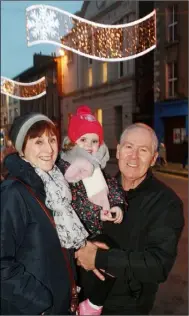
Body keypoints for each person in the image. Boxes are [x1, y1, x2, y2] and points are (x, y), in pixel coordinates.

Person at [75, 123, 184, 315]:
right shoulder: (99, 188)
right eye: (129, 147)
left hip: (126, 307)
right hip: (83, 299)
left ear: (153, 159)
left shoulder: (167, 203)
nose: (133, 156)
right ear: (118, 151)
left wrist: (100, 259)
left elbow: (158, 265)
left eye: (143, 150)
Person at [1, 113, 86, 315]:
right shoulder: (13, 193)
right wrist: (40, 302)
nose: (49, 149)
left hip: (60, 304)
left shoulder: (56, 187)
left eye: (52, 139)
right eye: (38, 141)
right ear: (21, 148)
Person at [59, 105, 126, 315]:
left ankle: (92, 305)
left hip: (94, 231)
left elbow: (112, 187)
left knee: (112, 259)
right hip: (71, 239)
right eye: (83, 140)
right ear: (71, 142)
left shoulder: (97, 168)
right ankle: (81, 306)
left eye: (94, 141)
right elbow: (63, 203)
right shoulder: (65, 168)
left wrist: (116, 206)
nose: (89, 145)